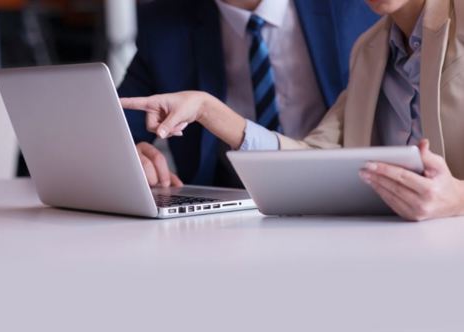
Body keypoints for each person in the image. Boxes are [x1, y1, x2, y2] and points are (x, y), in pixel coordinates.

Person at [120, 0, 464, 221]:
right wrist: (208, 110)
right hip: (355, 235)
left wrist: (459, 199)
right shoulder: (369, 50)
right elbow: (316, 153)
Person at [118, 0, 378, 188]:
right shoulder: (164, 24)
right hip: (228, 208)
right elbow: (118, 124)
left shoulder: (354, 8)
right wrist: (133, 156)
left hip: (338, 191)